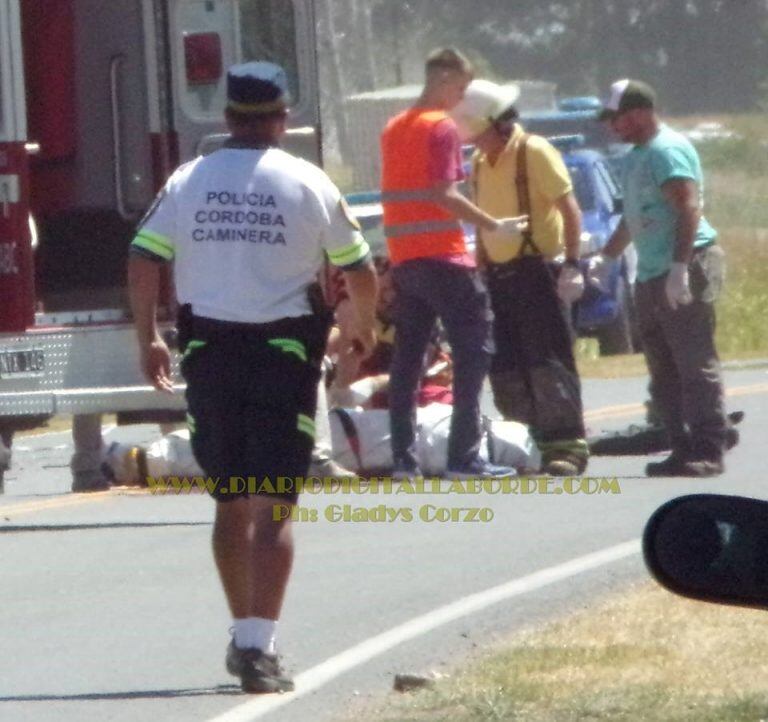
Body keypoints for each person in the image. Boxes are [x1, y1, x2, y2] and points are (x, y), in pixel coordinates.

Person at [127, 61, 377, 693]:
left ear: (227, 115)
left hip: (210, 350)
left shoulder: (188, 180)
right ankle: (258, 645)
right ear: (283, 119)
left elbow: (143, 253)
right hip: (281, 354)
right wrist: (361, 327)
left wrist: (149, 336)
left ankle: (244, 635)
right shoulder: (307, 180)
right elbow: (360, 265)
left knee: (232, 497)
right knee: (274, 503)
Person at [380, 48, 527, 481]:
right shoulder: (440, 128)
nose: (461, 100)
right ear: (443, 80)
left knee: (407, 359)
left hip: (405, 259)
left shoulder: (393, 127)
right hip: (445, 258)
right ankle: (464, 458)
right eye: (461, 89)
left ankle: (403, 463)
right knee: (473, 352)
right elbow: (443, 193)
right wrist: (492, 225)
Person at [450, 79, 589, 476]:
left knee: (546, 359)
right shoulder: (479, 162)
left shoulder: (535, 152)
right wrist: (478, 265)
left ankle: (567, 446)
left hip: (536, 270)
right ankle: (526, 442)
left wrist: (573, 264)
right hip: (496, 274)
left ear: (499, 124)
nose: (475, 142)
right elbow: (480, 219)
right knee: (506, 362)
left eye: (478, 134)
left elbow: (570, 209)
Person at [592, 79, 727, 477]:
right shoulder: (636, 156)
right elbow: (634, 218)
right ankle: (679, 447)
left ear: (640, 112)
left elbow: (688, 208)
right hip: (650, 272)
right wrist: (606, 257)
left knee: (693, 363)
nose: (613, 126)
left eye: (618, 118)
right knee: (662, 366)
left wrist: (680, 269)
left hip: (683, 265)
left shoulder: (666, 151)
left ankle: (708, 448)